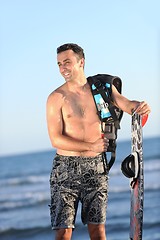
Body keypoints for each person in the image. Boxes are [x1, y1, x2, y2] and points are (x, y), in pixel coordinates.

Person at [46, 43, 151, 240]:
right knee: (63, 232)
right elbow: (56, 139)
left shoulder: (102, 89)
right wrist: (90, 146)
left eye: (67, 62)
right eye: (59, 64)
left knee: (98, 231)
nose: (62, 69)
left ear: (81, 62)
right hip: (65, 169)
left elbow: (126, 104)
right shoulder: (56, 98)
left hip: (96, 167)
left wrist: (139, 106)